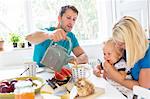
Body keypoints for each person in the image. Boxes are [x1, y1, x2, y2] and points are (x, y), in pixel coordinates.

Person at [103, 16, 150, 90]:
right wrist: (99, 68)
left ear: (132, 41)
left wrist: (113, 77)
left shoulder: (147, 56)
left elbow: (142, 89)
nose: (117, 46)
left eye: (121, 44)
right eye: (116, 42)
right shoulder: (127, 48)